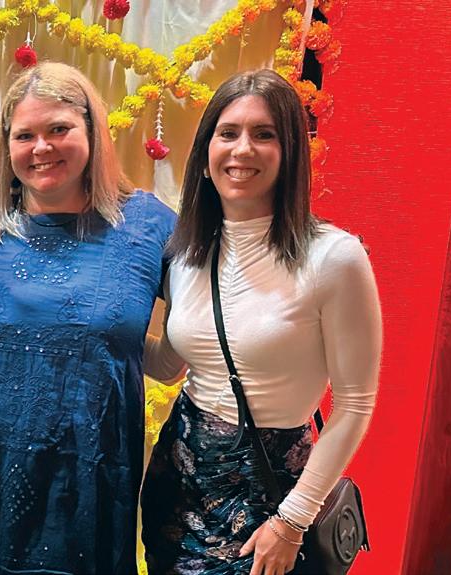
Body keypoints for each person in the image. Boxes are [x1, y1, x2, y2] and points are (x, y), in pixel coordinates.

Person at [0, 62, 177, 574]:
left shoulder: (147, 226)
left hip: (90, 492)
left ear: (92, 131)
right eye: (25, 135)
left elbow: (194, 334)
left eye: (59, 129)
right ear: (6, 146)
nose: (41, 148)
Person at [141, 69, 381, 575]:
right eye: (227, 133)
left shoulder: (334, 257)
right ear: (206, 154)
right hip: (177, 482)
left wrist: (292, 522)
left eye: (264, 134)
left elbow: (355, 403)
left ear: (290, 153)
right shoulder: (186, 253)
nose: (242, 149)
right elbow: (168, 365)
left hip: (270, 495)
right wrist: (94, 329)